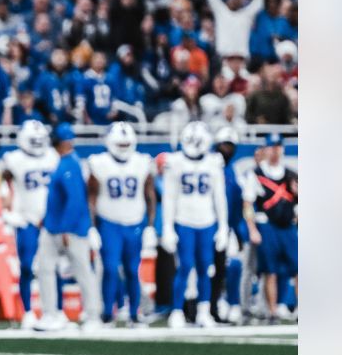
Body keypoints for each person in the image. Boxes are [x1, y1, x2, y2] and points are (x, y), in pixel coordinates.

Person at [86, 122, 156, 325]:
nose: (124, 147)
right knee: (109, 268)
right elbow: (91, 196)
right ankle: (108, 312)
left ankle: (134, 313)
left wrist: (150, 226)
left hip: (135, 222)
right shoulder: (99, 162)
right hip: (109, 222)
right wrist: (92, 227)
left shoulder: (142, 161)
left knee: (132, 270)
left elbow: (150, 195)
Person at [160, 121, 228, 329]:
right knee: (185, 266)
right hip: (184, 220)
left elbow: (219, 196)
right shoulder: (175, 161)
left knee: (206, 268)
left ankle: (203, 311)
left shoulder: (214, 162)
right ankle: (178, 310)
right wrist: (168, 227)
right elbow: (169, 197)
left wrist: (223, 226)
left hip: (207, 221)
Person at [34, 123, 101, 331]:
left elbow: (75, 200)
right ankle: (51, 314)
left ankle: (92, 316)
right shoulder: (66, 162)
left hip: (69, 229)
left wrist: (65, 228)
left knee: (82, 270)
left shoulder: (70, 164)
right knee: (44, 268)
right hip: (55, 226)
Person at [0, 120, 58, 330]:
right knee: (26, 267)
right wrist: (8, 211)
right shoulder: (13, 159)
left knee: (53, 268)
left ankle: (54, 310)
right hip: (27, 220)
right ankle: (27, 311)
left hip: (50, 221)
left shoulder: (53, 156)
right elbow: (1, 184)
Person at [213, 127, 261, 323]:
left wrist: (239, 232)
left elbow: (240, 205)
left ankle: (232, 303)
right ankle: (205, 306)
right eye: (224, 145)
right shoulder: (208, 166)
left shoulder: (234, 173)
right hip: (207, 225)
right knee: (207, 269)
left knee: (233, 265)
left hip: (228, 228)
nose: (227, 149)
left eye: (230, 146)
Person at [252, 133, 298, 321]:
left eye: (278, 147)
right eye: (272, 147)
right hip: (268, 225)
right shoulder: (257, 174)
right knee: (269, 271)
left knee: (298, 267)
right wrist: (253, 228)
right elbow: (248, 203)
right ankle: (272, 310)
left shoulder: (290, 175)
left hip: (287, 226)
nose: (275, 151)